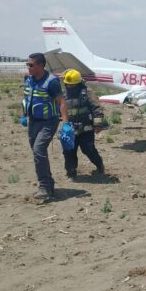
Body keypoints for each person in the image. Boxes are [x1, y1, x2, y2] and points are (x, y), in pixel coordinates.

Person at [23, 53, 69, 200]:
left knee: (38, 150)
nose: (28, 67)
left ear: (41, 66)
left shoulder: (51, 82)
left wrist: (66, 123)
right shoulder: (28, 79)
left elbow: (61, 102)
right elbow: (26, 98)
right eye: (27, 65)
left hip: (49, 122)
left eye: (31, 65)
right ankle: (49, 185)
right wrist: (23, 115)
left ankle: (43, 187)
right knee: (38, 154)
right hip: (33, 122)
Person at [61, 69, 106, 179]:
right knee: (69, 151)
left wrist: (98, 124)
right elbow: (59, 109)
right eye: (67, 84)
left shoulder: (87, 93)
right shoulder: (63, 95)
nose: (69, 87)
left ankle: (99, 165)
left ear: (77, 83)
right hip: (70, 130)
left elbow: (97, 108)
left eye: (71, 85)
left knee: (88, 149)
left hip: (86, 128)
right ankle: (71, 171)